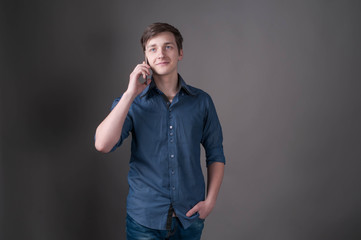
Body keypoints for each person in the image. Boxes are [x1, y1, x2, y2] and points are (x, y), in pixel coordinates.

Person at [95, 22, 225, 240]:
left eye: (168, 46)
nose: (161, 54)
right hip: (144, 220)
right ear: (145, 58)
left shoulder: (202, 102)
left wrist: (210, 201)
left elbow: (216, 153)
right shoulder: (132, 103)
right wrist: (130, 93)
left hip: (189, 220)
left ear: (180, 52)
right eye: (153, 48)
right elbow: (102, 144)